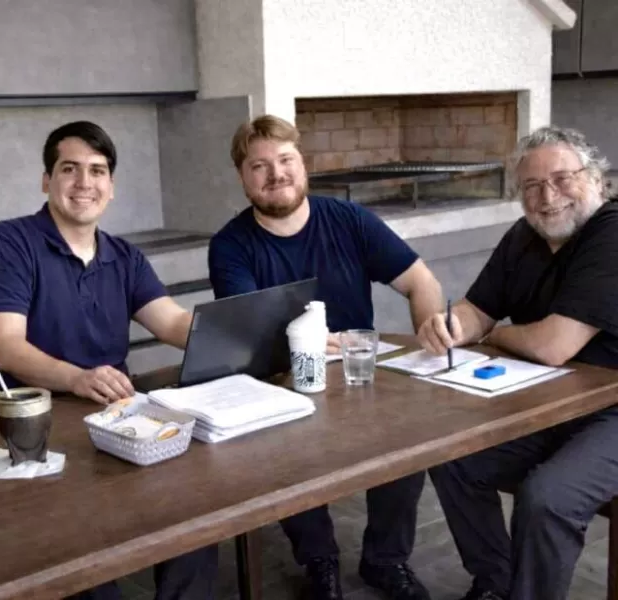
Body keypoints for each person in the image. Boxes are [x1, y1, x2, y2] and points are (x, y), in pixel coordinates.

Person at [0, 120, 217, 600]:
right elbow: (5, 346)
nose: (85, 183)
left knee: (193, 521)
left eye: (98, 171)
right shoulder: (8, 244)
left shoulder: (124, 256)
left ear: (112, 186)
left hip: (112, 418)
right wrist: (78, 378)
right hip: (26, 432)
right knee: (88, 572)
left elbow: (171, 322)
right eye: (70, 169)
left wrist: (253, 333)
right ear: (46, 180)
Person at [209, 115, 445, 600]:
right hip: (284, 380)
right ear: (242, 177)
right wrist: (310, 343)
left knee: (410, 426)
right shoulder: (230, 245)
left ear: (304, 164)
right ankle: (320, 559)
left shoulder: (349, 220)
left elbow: (421, 281)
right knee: (281, 438)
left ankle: (386, 559)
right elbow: (250, 334)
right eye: (260, 166)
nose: (276, 174)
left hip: (360, 374)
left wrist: (427, 324)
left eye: (286, 160)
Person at [418, 126, 618, 600]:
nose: (548, 197)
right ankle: (498, 583)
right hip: (550, 403)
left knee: (547, 499)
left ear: (596, 180)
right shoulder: (524, 236)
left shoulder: (611, 233)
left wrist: (494, 333)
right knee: (451, 457)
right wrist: (451, 325)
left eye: (563, 178)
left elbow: (554, 345)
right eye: (531, 186)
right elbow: (478, 307)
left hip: (611, 408)